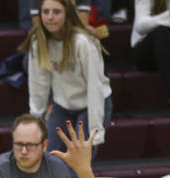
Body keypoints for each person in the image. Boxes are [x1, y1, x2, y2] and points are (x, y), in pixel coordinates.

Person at [24, 0, 112, 158]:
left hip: (91, 105)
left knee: (77, 168)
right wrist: (35, 122)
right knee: (47, 160)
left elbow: (95, 88)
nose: (50, 17)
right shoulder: (39, 42)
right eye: (46, 12)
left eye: (56, 12)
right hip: (62, 106)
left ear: (67, 14)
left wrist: (95, 132)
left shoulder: (84, 43)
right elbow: (38, 85)